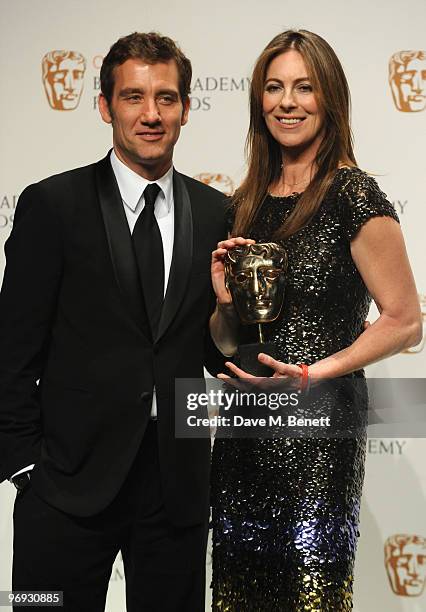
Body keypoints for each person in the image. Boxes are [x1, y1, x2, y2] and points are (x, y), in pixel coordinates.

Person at [0, 32, 226, 612]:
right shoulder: (51, 205)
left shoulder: (215, 211)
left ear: (186, 109)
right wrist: (27, 469)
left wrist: (227, 311)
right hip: (65, 486)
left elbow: (214, 352)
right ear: (104, 106)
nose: (151, 114)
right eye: (133, 97)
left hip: (174, 487)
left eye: (167, 98)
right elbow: (11, 349)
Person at [209, 29, 422, 610]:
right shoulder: (246, 199)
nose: (287, 102)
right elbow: (228, 342)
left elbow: (405, 321)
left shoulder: (353, 194)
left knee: (312, 597)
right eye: (274, 87)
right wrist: (226, 305)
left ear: (330, 99)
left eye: (304, 88)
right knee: (239, 595)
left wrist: (313, 374)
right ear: (259, 102)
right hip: (245, 432)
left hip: (318, 433)